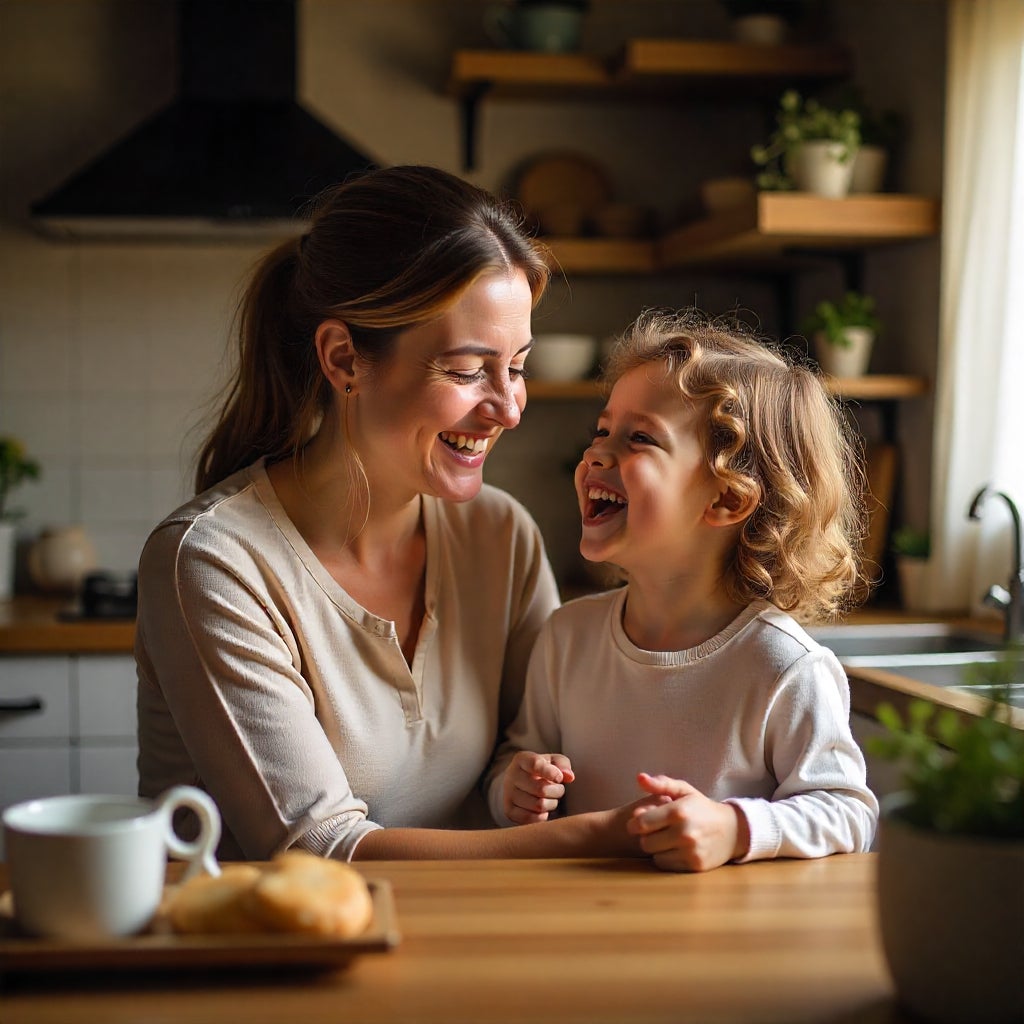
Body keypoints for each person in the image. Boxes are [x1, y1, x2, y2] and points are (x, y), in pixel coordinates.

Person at [135, 165, 647, 862]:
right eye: (468, 372)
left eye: (517, 366)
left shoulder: (500, 535)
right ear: (345, 358)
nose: (508, 408)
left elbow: (542, 741)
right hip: (263, 955)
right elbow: (317, 846)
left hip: (461, 945)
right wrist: (593, 836)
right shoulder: (214, 561)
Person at [487, 308, 880, 871]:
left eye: (639, 438)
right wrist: (515, 789)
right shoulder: (568, 636)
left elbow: (848, 812)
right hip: (584, 925)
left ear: (726, 499)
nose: (597, 453)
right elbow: (515, 756)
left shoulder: (785, 665)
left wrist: (736, 828)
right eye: (602, 431)